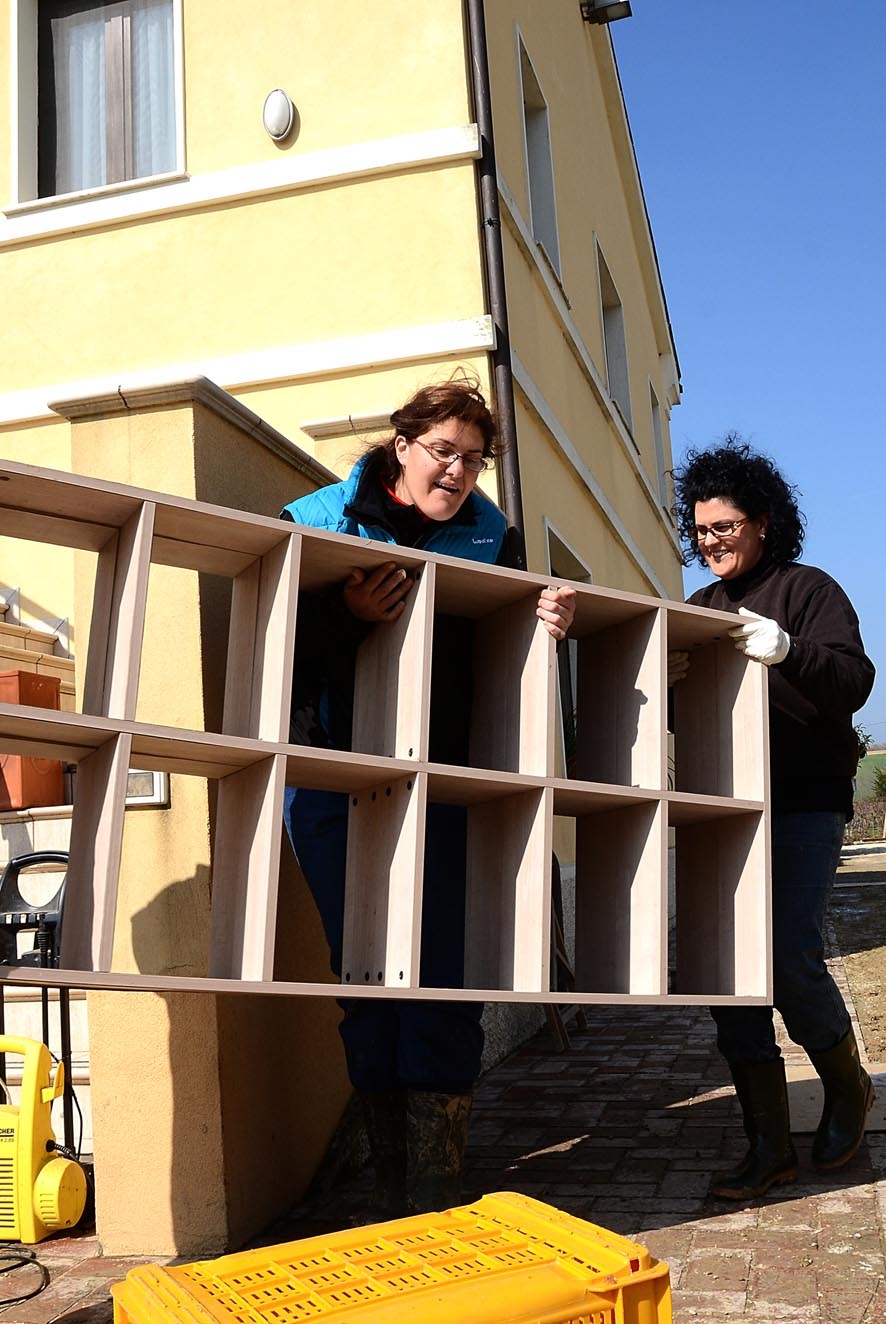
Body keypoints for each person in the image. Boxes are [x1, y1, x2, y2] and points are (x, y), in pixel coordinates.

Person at [280, 378, 575, 1216]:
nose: (458, 473)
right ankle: (390, 1188)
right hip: (338, 780)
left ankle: (438, 1190)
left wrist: (541, 618)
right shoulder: (315, 518)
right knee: (367, 977)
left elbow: (500, 645)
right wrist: (346, 613)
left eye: (474, 460)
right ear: (403, 444)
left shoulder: (492, 534)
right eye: (445, 451)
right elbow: (273, 654)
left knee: (444, 978)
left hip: (448, 787)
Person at [672, 438, 877, 1201]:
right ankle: (767, 1145)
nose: (711, 542)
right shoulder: (698, 611)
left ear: (762, 522)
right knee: (728, 974)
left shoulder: (809, 590)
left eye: (724, 527)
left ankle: (847, 1085)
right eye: (700, 530)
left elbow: (851, 684)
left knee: (789, 957)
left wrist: (787, 650)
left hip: (800, 803)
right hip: (721, 807)